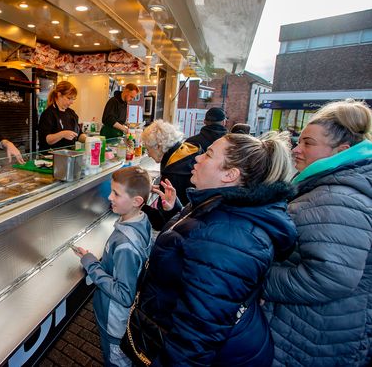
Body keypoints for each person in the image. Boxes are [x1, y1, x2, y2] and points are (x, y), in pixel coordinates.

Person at [123, 132, 297, 366]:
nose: (197, 158)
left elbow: (195, 336)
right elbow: (195, 240)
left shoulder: (228, 240)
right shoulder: (218, 205)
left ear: (229, 175)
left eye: (208, 154)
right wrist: (175, 211)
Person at [262, 99, 372, 367]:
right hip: (317, 327)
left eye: (308, 144)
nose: (297, 149)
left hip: (315, 333)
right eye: (299, 141)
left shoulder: (338, 197)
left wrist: (257, 276)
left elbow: (328, 276)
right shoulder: (332, 186)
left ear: (342, 150)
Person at [74, 166, 153, 367]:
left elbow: (124, 294)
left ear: (136, 202)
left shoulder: (125, 243)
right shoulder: (142, 220)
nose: (109, 197)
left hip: (115, 322)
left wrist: (92, 264)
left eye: (116, 193)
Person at [140, 120, 200, 227]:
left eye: (148, 150)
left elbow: (162, 221)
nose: (148, 155)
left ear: (158, 146)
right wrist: (160, 188)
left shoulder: (173, 172)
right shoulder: (188, 149)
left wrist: (139, 206)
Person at [37, 81, 86, 151]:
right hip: (51, 157)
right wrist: (62, 134)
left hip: (69, 154)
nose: (72, 102)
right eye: (69, 98)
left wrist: (89, 140)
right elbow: (47, 139)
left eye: (73, 99)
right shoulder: (48, 114)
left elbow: (79, 134)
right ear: (59, 95)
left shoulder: (72, 113)